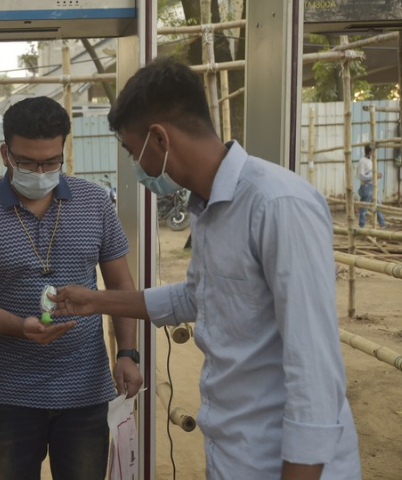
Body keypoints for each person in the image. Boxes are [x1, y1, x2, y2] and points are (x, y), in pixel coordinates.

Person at [51, 58, 361, 480]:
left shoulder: (276, 205)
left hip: (284, 461)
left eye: (132, 150)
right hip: (233, 451)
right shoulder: (206, 207)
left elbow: (314, 366)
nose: (135, 166)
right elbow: (196, 297)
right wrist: (96, 300)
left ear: (159, 138)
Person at [0, 96, 142, 480]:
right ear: (5, 153)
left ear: (63, 151)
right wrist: (21, 326)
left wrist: (127, 353)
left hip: (86, 392)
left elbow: (121, 286)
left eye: (51, 161)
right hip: (10, 394)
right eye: (27, 162)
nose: (40, 171)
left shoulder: (95, 203)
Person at [357, 145, 386, 228]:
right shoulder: (362, 161)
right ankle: (361, 226)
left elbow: (372, 173)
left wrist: (377, 175)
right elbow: (361, 176)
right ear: (369, 152)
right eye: (373, 151)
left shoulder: (371, 160)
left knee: (378, 205)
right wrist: (374, 176)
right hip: (366, 187)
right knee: (364, 207)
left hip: (373, 186)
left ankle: (382, 224)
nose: (374, 153)